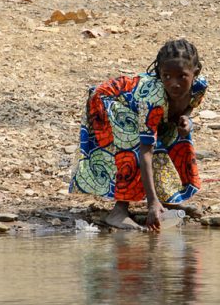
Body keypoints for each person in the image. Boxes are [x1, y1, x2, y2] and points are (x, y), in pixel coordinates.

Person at [69, 38, 208, 230]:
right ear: (160, 74)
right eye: (166, 76)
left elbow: (188, 106)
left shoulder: (199, 87)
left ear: (196, 73)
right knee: (131, 145)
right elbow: (145, 151)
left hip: (143, 108)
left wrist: (186, 118)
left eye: (181, 77)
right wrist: (150, 203)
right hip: (107, 100)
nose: (173, 84)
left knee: (178, 138)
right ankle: (119, 211)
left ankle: (168, 200)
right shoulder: (153, 98)